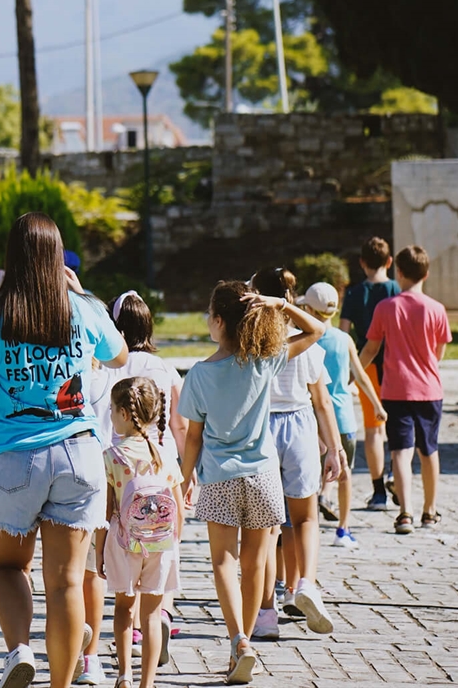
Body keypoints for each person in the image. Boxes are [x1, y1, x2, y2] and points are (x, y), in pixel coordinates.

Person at [0, 214, 128, 688]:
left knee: (9, 566)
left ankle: (20, 650)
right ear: (56, 257)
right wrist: (83, 292)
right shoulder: (82, 310)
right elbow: (121, 354)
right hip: (79, 455)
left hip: (13, 459)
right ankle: (61, 683)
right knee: (68, 582)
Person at [177, 282, 328, 685]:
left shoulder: (200, 375)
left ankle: (239, 641)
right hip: (263, 476)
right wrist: (281, 304)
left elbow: (193, 437)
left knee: (223, 561)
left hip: (220, 477)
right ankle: (246, 642)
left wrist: (184, 477)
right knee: (255, 563)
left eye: (210, 315)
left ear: (220, 321)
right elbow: (317, 331)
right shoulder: (266, 360)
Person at [248, 267, 344, 643]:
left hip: (262, 429)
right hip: (300, 424)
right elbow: (322, 402)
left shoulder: (252, 341)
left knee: (268, 529)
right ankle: (305, 583)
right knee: (305, 518)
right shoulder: (306, 343)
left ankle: (267, 612)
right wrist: (334, 448)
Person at [100, 292, 184, 664]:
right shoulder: (164, 368)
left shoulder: (108, 364)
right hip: (161, 464)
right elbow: (179, 422)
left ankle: (131, 623)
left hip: (118, 466)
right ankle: (161, 612)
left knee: (125, 539)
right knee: (162, 540)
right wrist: (187, 469)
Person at [360, 243, 451, 535]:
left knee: (400, 451)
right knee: (429, 449)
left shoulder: (386, 307)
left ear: (398, 272)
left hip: (395, 388)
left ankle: (405, 513)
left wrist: (354, 372)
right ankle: (430, 510)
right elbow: (439, 353)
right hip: (429, 389)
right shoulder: (437, 309)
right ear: (426, 274)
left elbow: (371, 348)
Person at [103, 377, 184, 688]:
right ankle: (147, 683)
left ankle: (124, 675)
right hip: (161, 545)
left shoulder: (112, 456)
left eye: (112, 410)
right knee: (151, 615)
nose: (110, 415)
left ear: (124, 413)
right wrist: (171, 543)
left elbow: (108, 510)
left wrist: (100, 552)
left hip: (124, 544)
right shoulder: (164, 455)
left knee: (124, 609)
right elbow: (177, 506)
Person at [299, 282, 384, 550]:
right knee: (345, 474)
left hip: (314, 421)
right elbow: (360, 376)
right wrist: (377, 405)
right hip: (343, 419)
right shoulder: (344, 340)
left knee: (309, 478)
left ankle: (307, 529)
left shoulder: (303, 339)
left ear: (309, 309)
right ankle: (343, 530)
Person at [340, 237, 400, 507]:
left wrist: (348, 373)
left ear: (362, 263)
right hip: (397, 366)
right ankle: (397, 477)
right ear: (389, 262)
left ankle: (378, 492)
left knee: (373, 429)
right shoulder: (397, 291)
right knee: (399, 427)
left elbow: (342, 333)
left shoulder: (353, 294)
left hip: (365, 366)